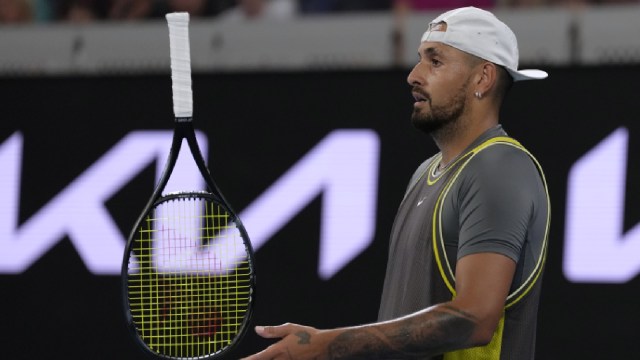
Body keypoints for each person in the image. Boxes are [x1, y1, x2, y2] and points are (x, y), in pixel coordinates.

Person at [242, 6, 550, 360]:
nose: (413, 75)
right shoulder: (426, 172)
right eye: (420, 59)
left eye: (435, 61)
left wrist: (328, 345)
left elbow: (474, 318)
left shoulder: (499, 168)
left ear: (483, 78)